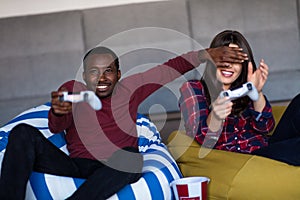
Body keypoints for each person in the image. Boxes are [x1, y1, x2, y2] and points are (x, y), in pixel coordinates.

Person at [0, 45, 247, 200]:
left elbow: (170, 69)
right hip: (76, 165)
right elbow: (55, 127)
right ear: (85, 76)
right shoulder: (73, 90)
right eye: (94, 72)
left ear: (118, 74)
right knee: (22, 132)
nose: (101, 77)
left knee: (133, 158)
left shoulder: (131, 88)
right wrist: (57, 110)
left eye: (108, 70)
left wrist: (206, 55)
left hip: (116, 165)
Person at [179, 30, 300, 166]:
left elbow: (266, 128)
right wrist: (216, 116)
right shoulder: (194, 89)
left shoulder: (244, 87)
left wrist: (257, 94)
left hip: (265, 149)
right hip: (243, 160)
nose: (229, 65)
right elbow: (203, 139)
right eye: (223, 58)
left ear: (243, 65)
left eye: (235, 60)